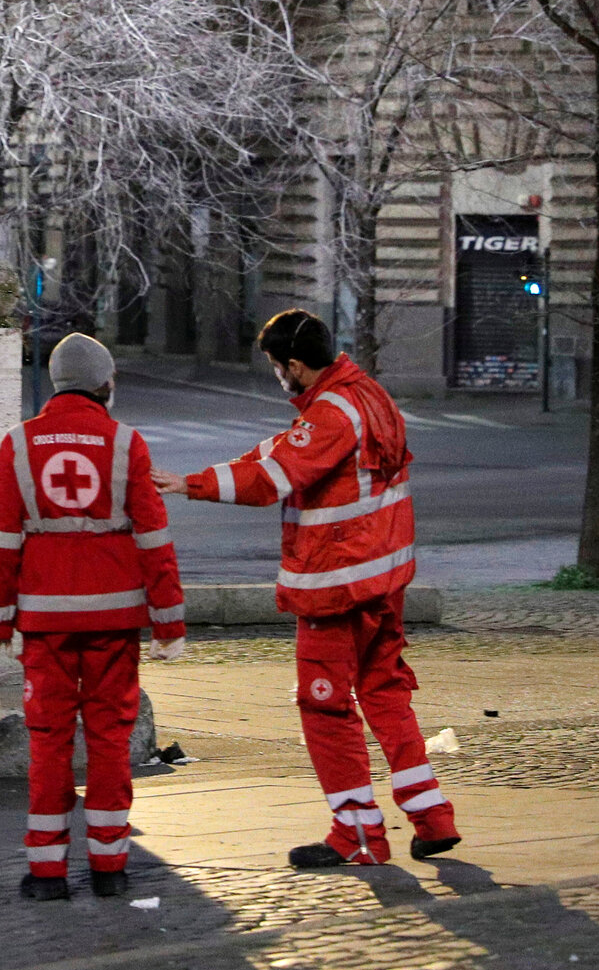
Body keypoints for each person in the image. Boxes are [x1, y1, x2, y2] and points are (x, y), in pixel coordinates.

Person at [151, 309, 461, 868]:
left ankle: (358, 834)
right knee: (386, 694)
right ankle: (431, 815)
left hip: (335, 586)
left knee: (325, 707)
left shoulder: (331, 412)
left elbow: (274, 476)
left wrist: (188, 486)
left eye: (277, 367)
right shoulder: (369, 396)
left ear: (295, 365)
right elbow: (284, 450)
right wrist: (210, 472)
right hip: (382, 582)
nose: (278, 377)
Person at [0, 332, 186, 901]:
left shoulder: (18, 445)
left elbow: (1, 543)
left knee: (47, 742)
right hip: (114, 621)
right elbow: (154, 541)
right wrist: (169, 625)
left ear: (55, 381)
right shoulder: (126, 444)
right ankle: (110, 867)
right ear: (106, 384)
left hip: (44, 623)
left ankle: (46, 873)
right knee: (110, 740)